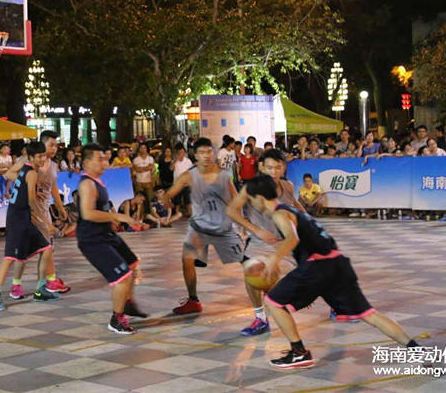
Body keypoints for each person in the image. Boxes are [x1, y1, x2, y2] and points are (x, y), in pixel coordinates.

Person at [243, 174, 422, 369]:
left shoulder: (279, 214)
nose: (251, 204)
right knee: (369, 314)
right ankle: (416, 349)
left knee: (273, 302)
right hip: (337, 264)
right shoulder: (294, 210)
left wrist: (274, 259)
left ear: (259, 198)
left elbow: (292, 239)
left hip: (317, 267)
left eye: (251, 199)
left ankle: (299, 353)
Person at [163, 138, 249, 315]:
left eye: (209, 152)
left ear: (213, 153)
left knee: (246, 261)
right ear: (195, 155)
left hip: (223, 226)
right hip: (199, 228)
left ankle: (271, 292)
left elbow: (235, 199)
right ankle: (193, 300)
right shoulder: (189, 175)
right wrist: (166, 201)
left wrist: (242, 226)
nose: (206, 156)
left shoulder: (223, 176)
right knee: (187, 259)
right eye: (202, 153)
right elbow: (170, 192)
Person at [228, 148, 306, 336]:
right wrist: (255, 230)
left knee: (316, 274)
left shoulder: (287, 186)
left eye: (278, 167)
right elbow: (231, 211)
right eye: (269, 168)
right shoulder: (251, 187)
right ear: (261, 167)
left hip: (286, 241)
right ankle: (260, 318)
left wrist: (309, 222)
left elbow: (295, 204)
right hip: (259, 242)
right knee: (251, 270)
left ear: (283, 168)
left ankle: (337, 305)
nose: (274, 172)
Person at [77, 143, 148, 334]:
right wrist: (117, 216)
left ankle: (127, 303)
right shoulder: (87, 184)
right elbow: (88, 213)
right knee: (122, 276)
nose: (104, 163)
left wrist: (110, 221)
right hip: (92, 240)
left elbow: (101, 209)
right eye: (99, 159)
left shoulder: (98, 181)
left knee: (132, 263)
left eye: (105, 158)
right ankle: (117, 319)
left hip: (106, 235)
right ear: (87, 162)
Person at [0, 142, 61, 311]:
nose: (42, 159)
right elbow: (31, 200)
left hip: (24, 217)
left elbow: (15, 180)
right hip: (18, 219)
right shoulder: (31, 173)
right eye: (39, 156)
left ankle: (40, 289)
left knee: (46, 248)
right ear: (30, 157)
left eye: (43, 156)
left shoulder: (25, 169)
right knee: (9, 257)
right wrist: (47, 224)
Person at [4, 131, 70, 297]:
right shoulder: (28, 161)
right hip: (31, 211)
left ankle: (44, 281)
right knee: (42, 247)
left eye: (56, 145)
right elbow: (9, 174)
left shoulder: (53, 165)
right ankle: (47, 281)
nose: (54, 149)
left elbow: (53, 187)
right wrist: (29, 184)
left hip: (44, 210)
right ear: (42, 144)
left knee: (45, 248)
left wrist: (60, 208)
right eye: (51, 145)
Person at [170, 143, 193, 214]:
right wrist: (176, 160)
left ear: (184, 152)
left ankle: (190, 213)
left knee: (188, 201)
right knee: (177, 201)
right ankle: (177, 213)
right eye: (179, 152)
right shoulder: (174, 161)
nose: (181, 154)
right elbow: (171, 168)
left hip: (186, 184)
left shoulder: (188, 161)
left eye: (182, 152)